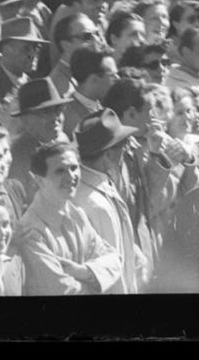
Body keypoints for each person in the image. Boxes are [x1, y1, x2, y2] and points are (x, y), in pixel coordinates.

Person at [15, 141, 125, 295]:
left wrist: (83, 272)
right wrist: (98, 282)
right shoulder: (30, 230)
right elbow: (61, 290)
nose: (71, 176)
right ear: (39, 180)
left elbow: (115, 259)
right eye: (60, 171)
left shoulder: (77, 214)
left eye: (74, 168)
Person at [74, 111, 146, 293]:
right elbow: (112, 275)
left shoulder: (101, 184)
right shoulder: (94, 204)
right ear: (107, 154)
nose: (127, 149)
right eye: (122, 144)